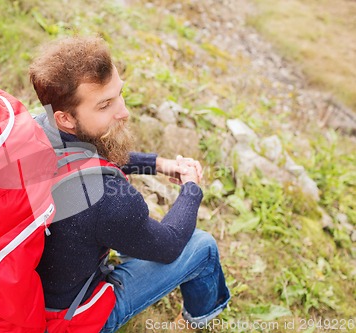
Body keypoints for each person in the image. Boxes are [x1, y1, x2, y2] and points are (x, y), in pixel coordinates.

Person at [29, 36, 230, 332]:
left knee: (120, 232)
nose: (123, 111)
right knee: (203, 247)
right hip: (67, 319)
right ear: (66, 118)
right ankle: (199, 321)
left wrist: (158, 164)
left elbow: (89, 155)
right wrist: (191, 188)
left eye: (119, 94)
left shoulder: (34, 129)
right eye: (105, 105)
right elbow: (171, 244)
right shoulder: (109, 200)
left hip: (30, 291)